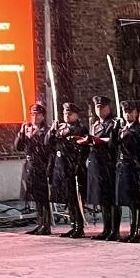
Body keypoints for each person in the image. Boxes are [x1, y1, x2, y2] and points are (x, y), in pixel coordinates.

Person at [83, 95, 123, 242]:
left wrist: (102, 141)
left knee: (112, 199)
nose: (99, 110)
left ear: (108, 107)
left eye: (102, 107)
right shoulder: (95, 125)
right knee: (103, 200)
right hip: (97, 165)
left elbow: (115, 143)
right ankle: (106, 229)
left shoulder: (114, 123)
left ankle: (115, 230)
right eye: (97, 107)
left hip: (109, 164)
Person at [115, 100, 140, 243]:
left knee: (136, 202)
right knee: (130, 202)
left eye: (130, 112)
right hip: (123, 167)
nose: (127, 114)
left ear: (135, 112)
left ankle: (138, 230)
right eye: (125, 112)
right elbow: (114, 146)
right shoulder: (122, 128)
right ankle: (132, 230)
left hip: (134, 168)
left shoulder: (139, 129)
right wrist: (116, 131)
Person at [13, 102, 54, 235]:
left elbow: (46, 148)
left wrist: (34, 137)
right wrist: (21, 134)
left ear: (42, 116)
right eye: (33, 115)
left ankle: (46, 225)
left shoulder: (46, 130)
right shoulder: (27, 129)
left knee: (42, 197)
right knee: (35, 197)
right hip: (29, 165)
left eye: (37, 115)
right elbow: (18, 148)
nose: (34, 117)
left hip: (41, 165)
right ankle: (39, 223)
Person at [49, 102, 88, 238]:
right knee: (68, 199)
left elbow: (83, 149)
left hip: (73, 166)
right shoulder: (60, 128)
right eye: (65, 113)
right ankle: (73, 224)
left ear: (76, 115)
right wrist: (52, 131)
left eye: (69, 113)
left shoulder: (80, 128)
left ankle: (79, 226)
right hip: (62, 166)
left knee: (75, 199)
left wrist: (78, 164)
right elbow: (48, 143)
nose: (67, 116)